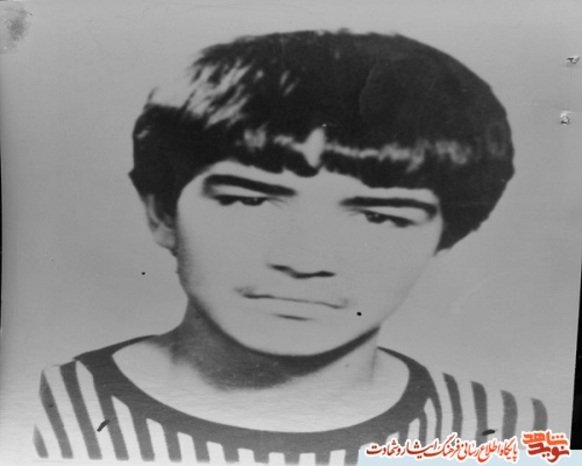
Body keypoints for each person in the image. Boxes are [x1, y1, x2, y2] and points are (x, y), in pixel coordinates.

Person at [33, 30, 547, 465]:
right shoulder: (38, 416)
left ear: (443, 235)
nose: (305, 261)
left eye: (378, 216)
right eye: (250, 200)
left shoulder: (512, 432)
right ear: (161, 213)